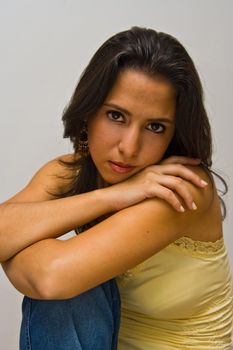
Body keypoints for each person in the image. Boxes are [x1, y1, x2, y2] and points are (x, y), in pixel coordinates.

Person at [0, 26, 232, 349]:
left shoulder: (183, 187)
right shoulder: (72, 171)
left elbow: (51, 278)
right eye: (116, 116)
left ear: (174, 133)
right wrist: (110, 196)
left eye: (155, 126)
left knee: (70, 286)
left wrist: (14, 247)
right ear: (88, 112)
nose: (129, 147)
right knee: (71, 289)